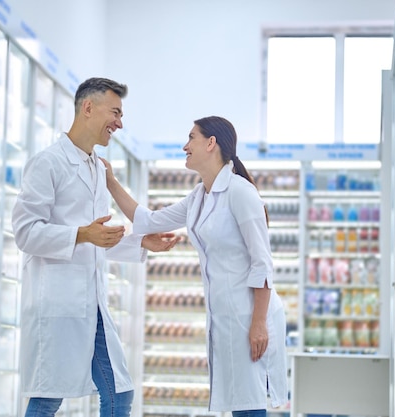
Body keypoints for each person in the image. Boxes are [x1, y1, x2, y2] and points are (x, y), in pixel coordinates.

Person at [12, 77, 179, 417]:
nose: (119, 123)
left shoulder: (96, 169)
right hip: (57, 303)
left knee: (119, 393)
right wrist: (81, 235)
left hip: (92, 305)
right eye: (115, 112)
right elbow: (25, 233)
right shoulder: (48, 163)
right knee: (47, 398)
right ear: (88, 108)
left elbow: (97, 238)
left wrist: (140, 241)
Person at [103, 116, 288, 417]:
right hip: (225, 317)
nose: (185, 146)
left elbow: (262, 263)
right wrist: (111, 182)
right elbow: (147, 220)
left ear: (211, 143)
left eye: (191, 138)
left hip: (249, 314)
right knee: (239, 403)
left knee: (248, 405)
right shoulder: (199, 197)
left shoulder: (240, 192)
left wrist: (258, 324)